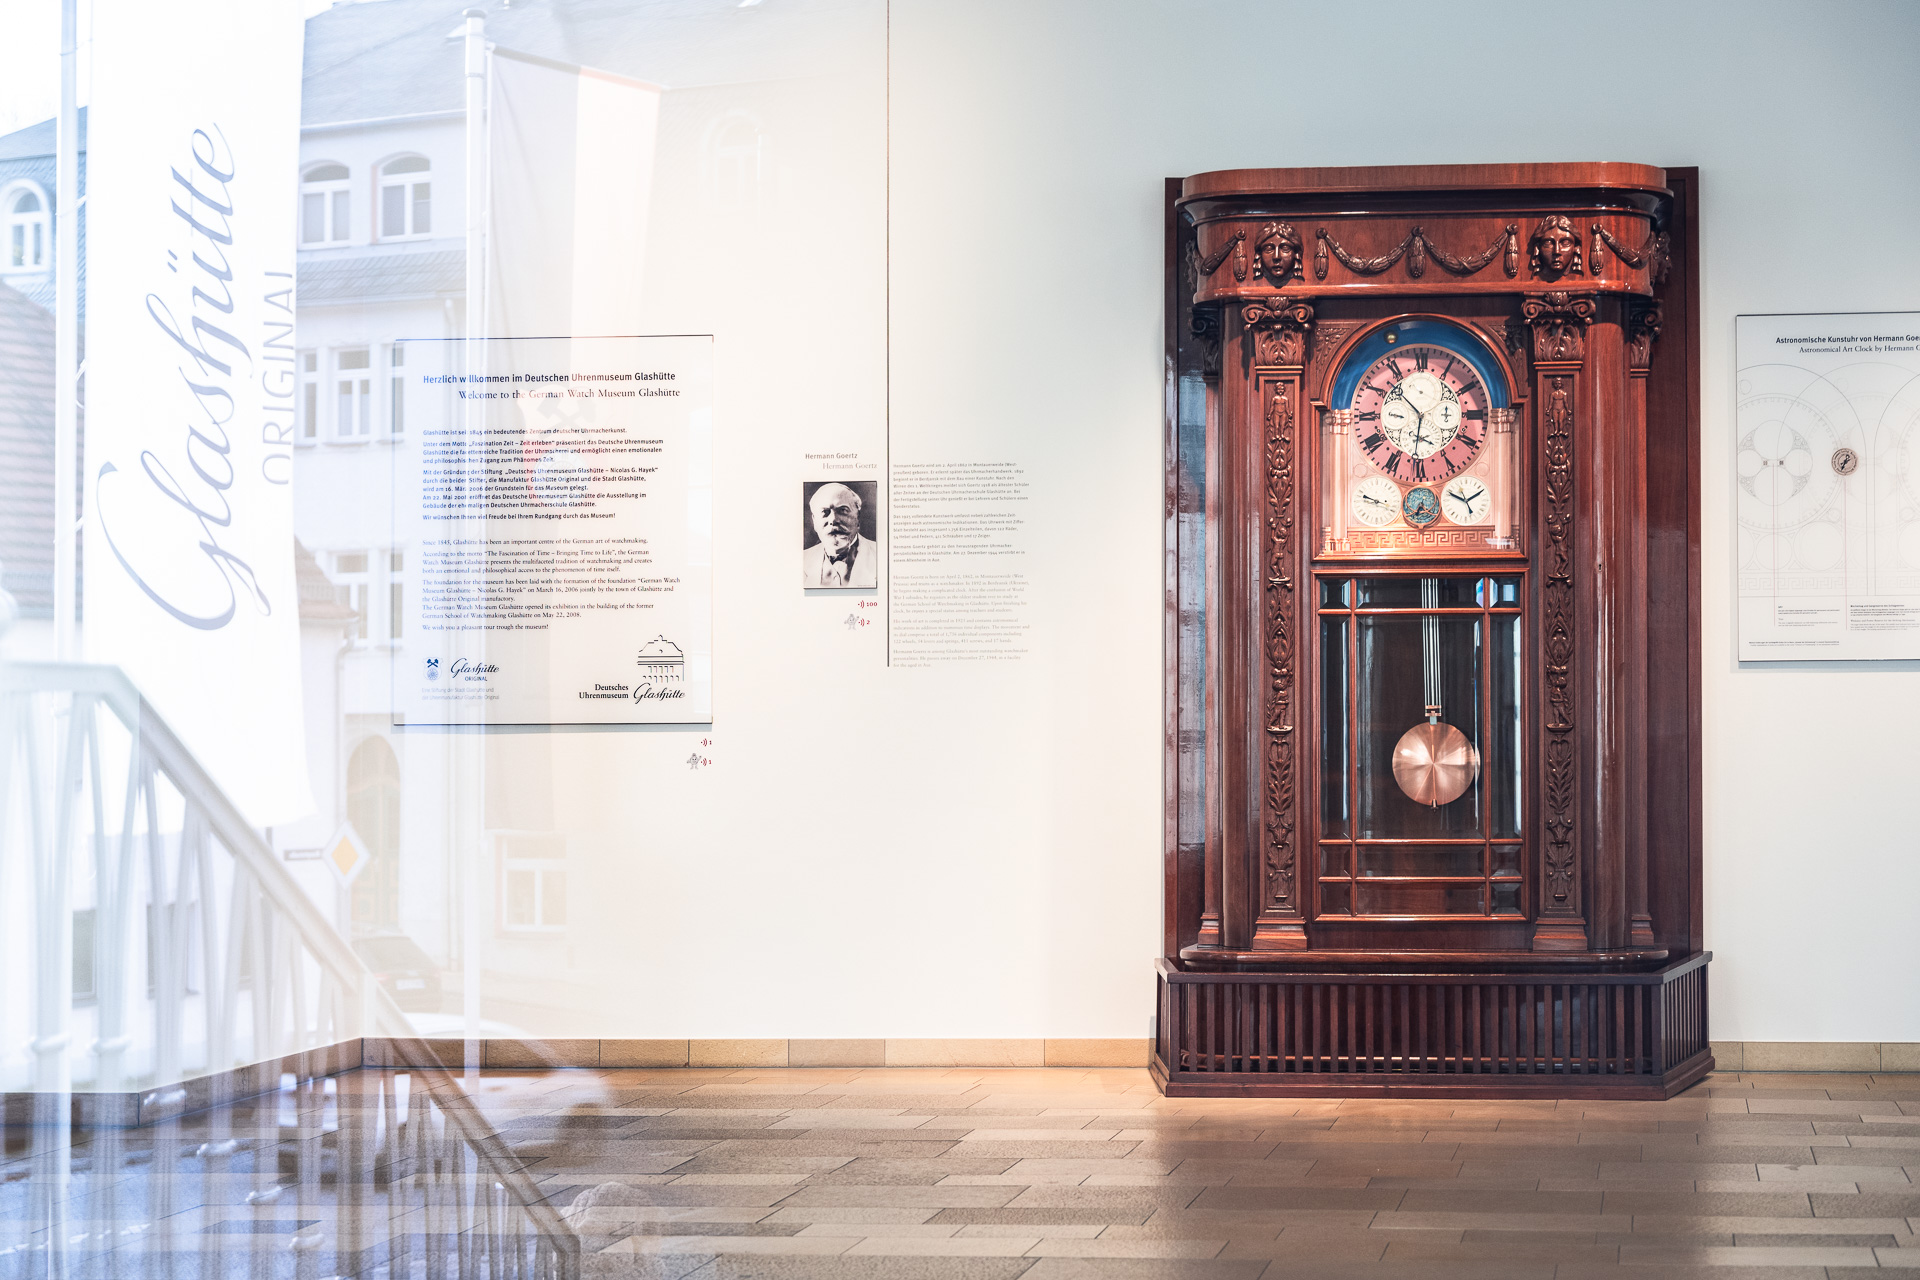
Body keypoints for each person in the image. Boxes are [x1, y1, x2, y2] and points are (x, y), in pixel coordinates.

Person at [803, 482, 878, 588]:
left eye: (843, 510)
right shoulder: (801, 560)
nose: (833, 520)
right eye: (825, 512)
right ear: (814, 521)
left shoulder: (882, 555)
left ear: (858, 517)